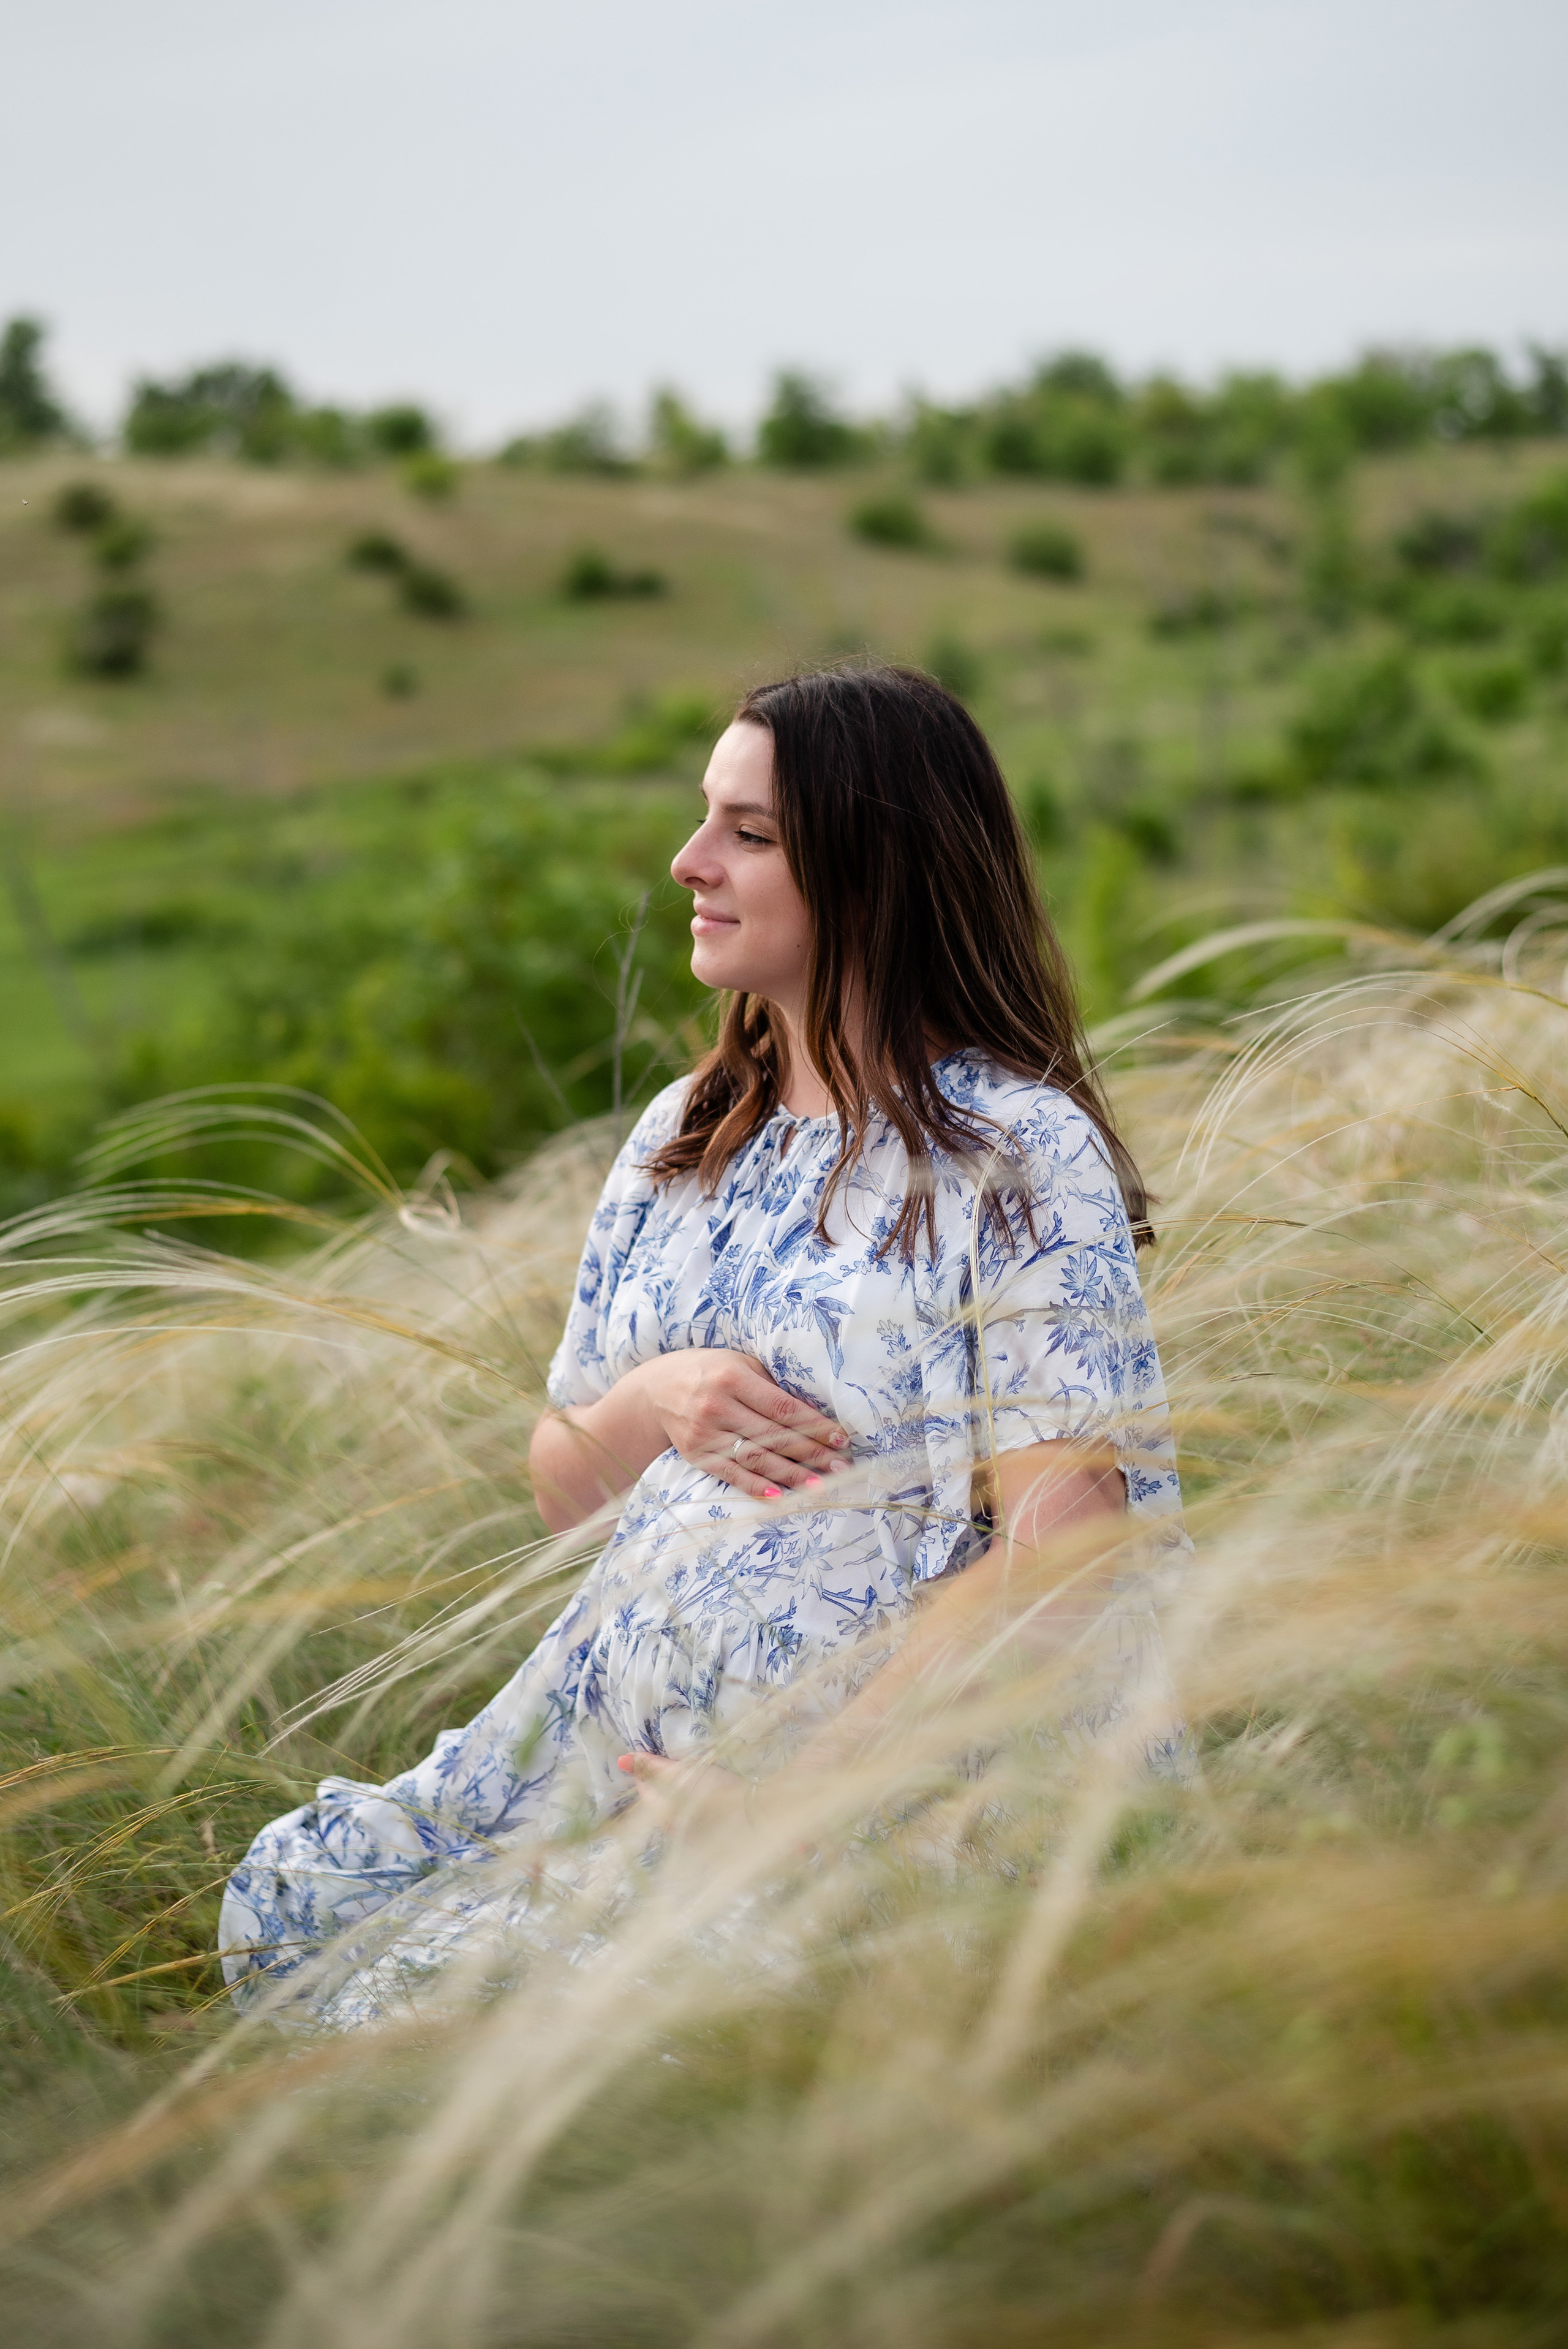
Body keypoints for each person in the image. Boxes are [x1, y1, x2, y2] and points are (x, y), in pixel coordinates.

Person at [220, 664, 1187, 2027]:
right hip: (616, 1765)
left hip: (892, 1794)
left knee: (449, 2030)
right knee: (293, 1916)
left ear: (873, 871)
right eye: (703, 819)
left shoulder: (1010, 1155)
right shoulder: (686, 1137)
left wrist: (803, 1797)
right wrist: (652, 1402)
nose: (689, 863)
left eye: (748, 834)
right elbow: (565, 1489)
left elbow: (1067, 1552)